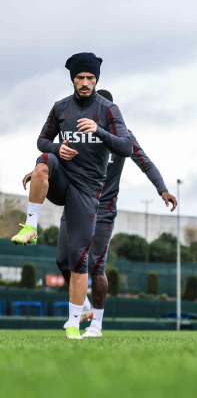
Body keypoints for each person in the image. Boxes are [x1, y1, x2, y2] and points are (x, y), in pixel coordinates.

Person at [23, 88, 179, 338]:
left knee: (95, 266)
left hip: (103, 209)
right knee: (63, 260)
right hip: (76, 202)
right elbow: (59, 157)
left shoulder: (123, 138)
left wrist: (163, 190)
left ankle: (96, 324)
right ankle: (82, 306)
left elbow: (145, 163)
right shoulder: (76, 132)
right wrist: (38, 172)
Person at [13, 53, 132, 339]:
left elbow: (126, 147)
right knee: (42, 160)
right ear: (72, 79)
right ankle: (31, 226)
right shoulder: (60, 108)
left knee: (79, 260)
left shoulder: (108, 110)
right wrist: (56, 150)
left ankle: (73, 323)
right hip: (63, 178)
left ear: (97, 80)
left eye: (90, 78)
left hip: (88, 190)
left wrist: (99, 131)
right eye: (80, 78)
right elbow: (42, 140)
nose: (85, 83)